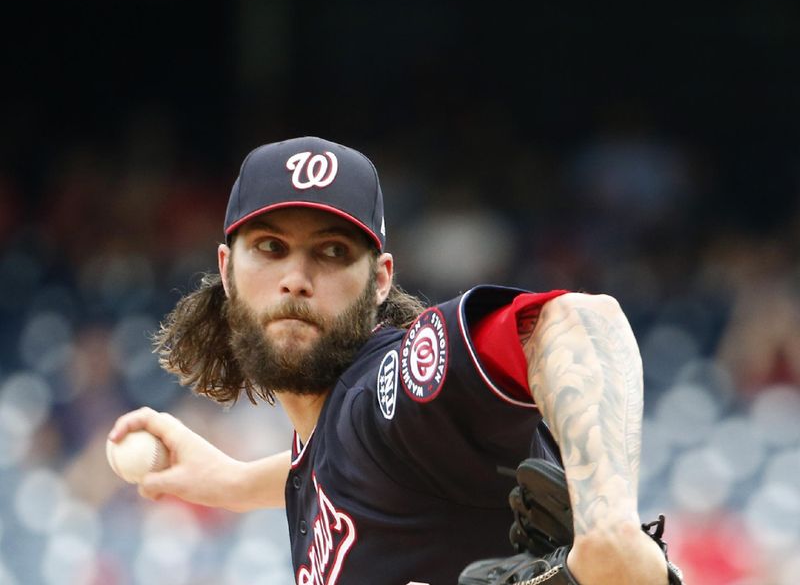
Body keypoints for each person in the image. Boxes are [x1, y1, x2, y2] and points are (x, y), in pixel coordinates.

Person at [108, 136, 679, 585]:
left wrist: (608, 531)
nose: (296, 280)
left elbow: (580, 319)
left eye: (332, 252)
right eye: (271, 247)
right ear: (227, 271)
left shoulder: (385, 389)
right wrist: (234, 482)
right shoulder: (333, 443)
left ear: (380, 281)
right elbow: (354, 462)